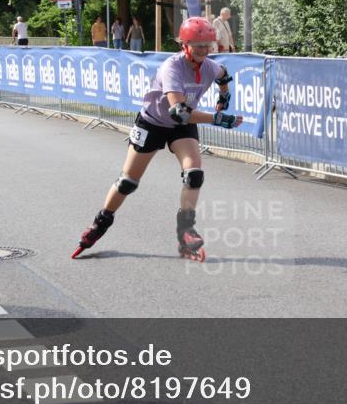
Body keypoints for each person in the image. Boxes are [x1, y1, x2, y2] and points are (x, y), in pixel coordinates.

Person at [72, 16, 244, 262]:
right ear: (185, 45)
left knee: (194, 173)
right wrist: (218, 119)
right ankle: (100, 222)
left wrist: (224, 96)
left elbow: (224, 75)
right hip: (153, 122)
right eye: (198, 46)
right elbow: (180, 112)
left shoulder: (209, 65)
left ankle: (186, 231)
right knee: (128, 182)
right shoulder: (172, 68)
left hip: (180, 128)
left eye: (208, 46)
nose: (204, 51)